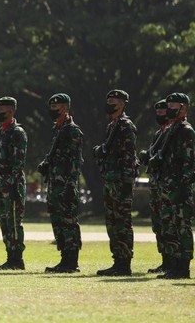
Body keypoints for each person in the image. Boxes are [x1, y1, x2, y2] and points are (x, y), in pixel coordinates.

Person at [93, 89, 138, 276]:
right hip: (111, 180)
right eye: (108, 99)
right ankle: (117, 260)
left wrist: (127, 180)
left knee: (122, 222)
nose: (110, 102)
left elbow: (129, 155)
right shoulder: (112, 126)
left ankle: (124, 263)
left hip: (121, 181)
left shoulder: (126, 126)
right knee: (112, 222)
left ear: (123, 103)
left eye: (114, 100)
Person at [37, 94, 83, 273]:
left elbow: (74, 160)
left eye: (56, 106)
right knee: (57, 220)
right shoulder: (58, 129)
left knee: (68, 221)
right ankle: (64, 257)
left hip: (65, 184)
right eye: (51, 106)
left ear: (65, 108)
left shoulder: (72, 130)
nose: (52, 109)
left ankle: (72, 261)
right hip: (55, 183)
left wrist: (67, 182)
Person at [154, 92, 194, 279]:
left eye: (173, 106)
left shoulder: (186, 130)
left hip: (179, 187)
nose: (169, 108)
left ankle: (183, 267)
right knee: (169, 227)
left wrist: (184, 186)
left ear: (184, 107)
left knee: (182, 227)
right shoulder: (172, 129)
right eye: (168, 105)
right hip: (167, 186)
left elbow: (189, 162)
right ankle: (175, 265)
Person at [0, 96, 27, 270]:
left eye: (2, 110)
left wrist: (13, 184)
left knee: (13, 221)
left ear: (11, 111)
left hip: (13, 182)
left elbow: (18, 161)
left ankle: (17, 259)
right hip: (1, 181)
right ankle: (9, 256)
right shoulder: (2, 130)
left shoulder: (17, 132)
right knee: (3, 220)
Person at [138, 99, 171, 273]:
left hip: (166, 184)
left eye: (163, 112)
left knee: (168, 223)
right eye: (157, 113)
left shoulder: (172, 132)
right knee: (158, 224)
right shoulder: (159, 133)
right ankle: (165, 260)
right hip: (156, 184)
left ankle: (173, 261)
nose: (160, 115)